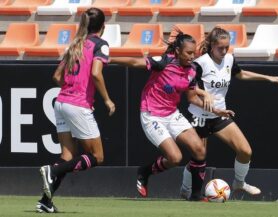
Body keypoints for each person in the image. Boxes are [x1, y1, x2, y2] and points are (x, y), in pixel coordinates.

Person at [110, 31, 234, 201]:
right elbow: (134, 61)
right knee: (175, 158)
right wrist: (108, 59)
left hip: (171, 113)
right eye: (188, 53)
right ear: (177, 51)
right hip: (151, 114)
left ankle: (196, 196)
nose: (192, 57)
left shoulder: (191, 71)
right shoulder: (164, 62)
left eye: (194, 53)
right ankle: (145, 172)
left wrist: (217, 111)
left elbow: (191, 98)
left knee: (199, 150)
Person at [180, 27, 278, 199]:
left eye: (226, 47)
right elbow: (191, 92)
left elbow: (241, 74)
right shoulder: (200, 63)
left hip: (220, 115)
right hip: (199, 116)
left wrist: (268, 77)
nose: (223, 51)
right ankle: (186, 189)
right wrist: (204, 93)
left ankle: (239, 182)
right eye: (220, 47)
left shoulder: (229, 59)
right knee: (198, 157)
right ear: (211, 46)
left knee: (245, 151)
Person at [37, 8, 115, 213]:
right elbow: (97, 74)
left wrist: (71, 86)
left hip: (61, 102)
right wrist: (107, 100)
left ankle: (45, 201)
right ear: (103, 27)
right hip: (77, 104)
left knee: (68, 156)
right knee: (97, 156)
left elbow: (56, 76)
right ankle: (52, 171)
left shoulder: (75, 44)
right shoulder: (101, 45)